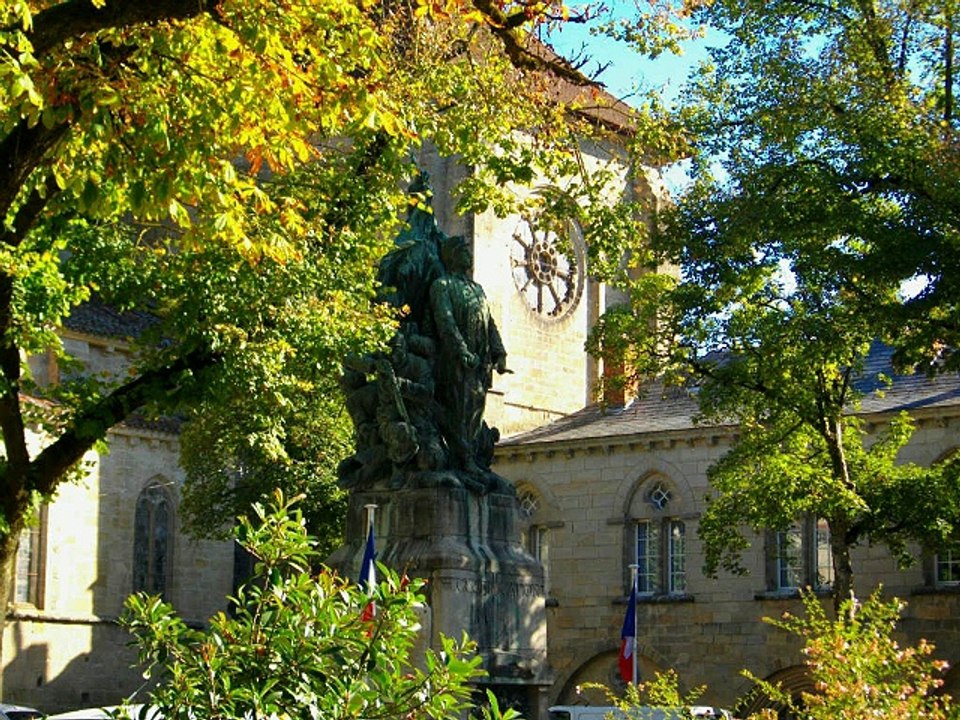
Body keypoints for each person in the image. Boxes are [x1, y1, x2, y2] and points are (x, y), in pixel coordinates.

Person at [429, 235, 509, 476]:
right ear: (452, 255)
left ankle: (471, 459)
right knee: (458, 413)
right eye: (463, 249)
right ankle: (462, 461)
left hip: (480, 365)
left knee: (475, 413)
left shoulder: (477, 289)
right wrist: (461, 351)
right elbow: (446, 322)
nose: (468, 253)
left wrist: (499, 353)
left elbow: (489, 323)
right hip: (455, 364)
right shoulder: (441, 286)